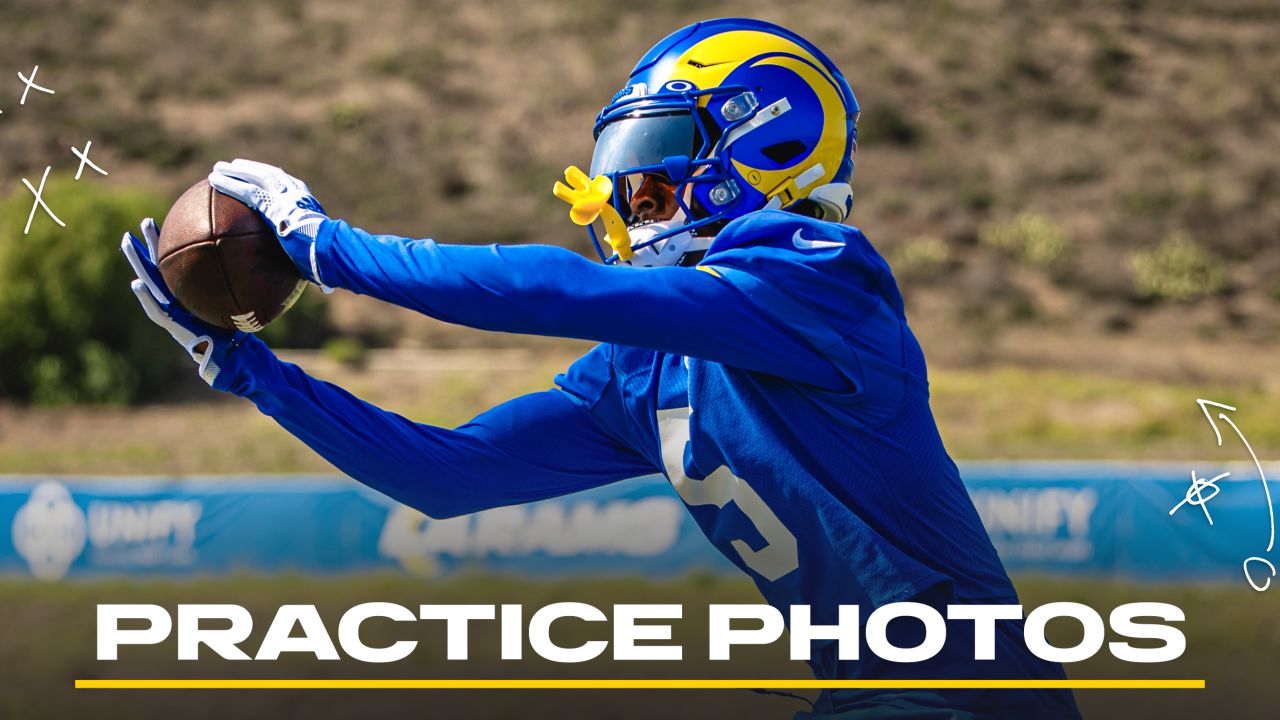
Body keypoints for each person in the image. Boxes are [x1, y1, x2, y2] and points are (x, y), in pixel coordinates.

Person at [122, 17, 1081, 719]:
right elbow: (444, 478)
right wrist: (248, 371)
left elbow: (559, 291)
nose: (634, 197)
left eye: (658, 167)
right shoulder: (646, 365)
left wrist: (331, 248)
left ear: (768, 148)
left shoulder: (820, 279)